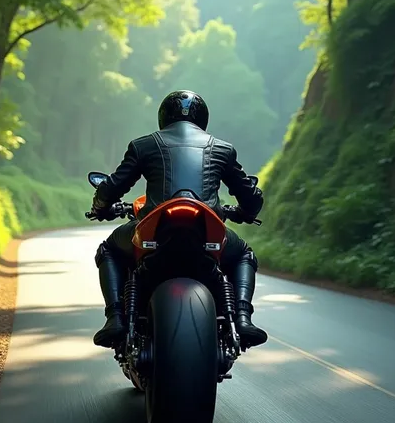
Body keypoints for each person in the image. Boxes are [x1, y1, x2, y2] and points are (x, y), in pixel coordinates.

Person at [91, 90, 268, 351]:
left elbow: (111, 188)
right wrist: (245, 213)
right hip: (205, 230)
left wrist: (101, 206)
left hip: (156, 229)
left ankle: (115, 318)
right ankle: (242, 318)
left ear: (164, 116)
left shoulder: (144, 145)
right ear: (202, 118)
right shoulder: (223, 149)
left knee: (109, 249)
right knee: (243, 254)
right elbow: (252, 200)